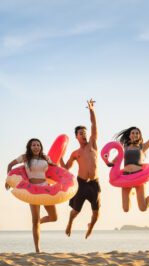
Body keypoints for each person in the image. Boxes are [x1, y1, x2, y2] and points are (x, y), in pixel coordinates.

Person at [6, 138, 58, 253]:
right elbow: (10, 164)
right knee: (34, 222)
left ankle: (40, 221)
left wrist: (66, 175)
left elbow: (56, 168)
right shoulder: (25, 157)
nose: (36, 147)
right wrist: (8, 180)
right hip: (32, 191)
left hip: (45, 189)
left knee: (54, 217)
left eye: (38, 145)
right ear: (30, 147)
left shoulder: (45, 158)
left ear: (41, 147)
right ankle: (37, 249)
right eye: (33, 145)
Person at [61, 99, 100, 239]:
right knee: (75, 211)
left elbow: (94, 125)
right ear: (76, 137)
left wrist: (91, 110)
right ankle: (70, 223)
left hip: (94, 183)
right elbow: (66, 168)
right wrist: (59, 156)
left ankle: (91, 226)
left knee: (96, 214)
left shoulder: (93, 144)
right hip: (81, 183)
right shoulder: (75, 153)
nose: (84, 134)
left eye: (85, 132)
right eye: (81, 133)